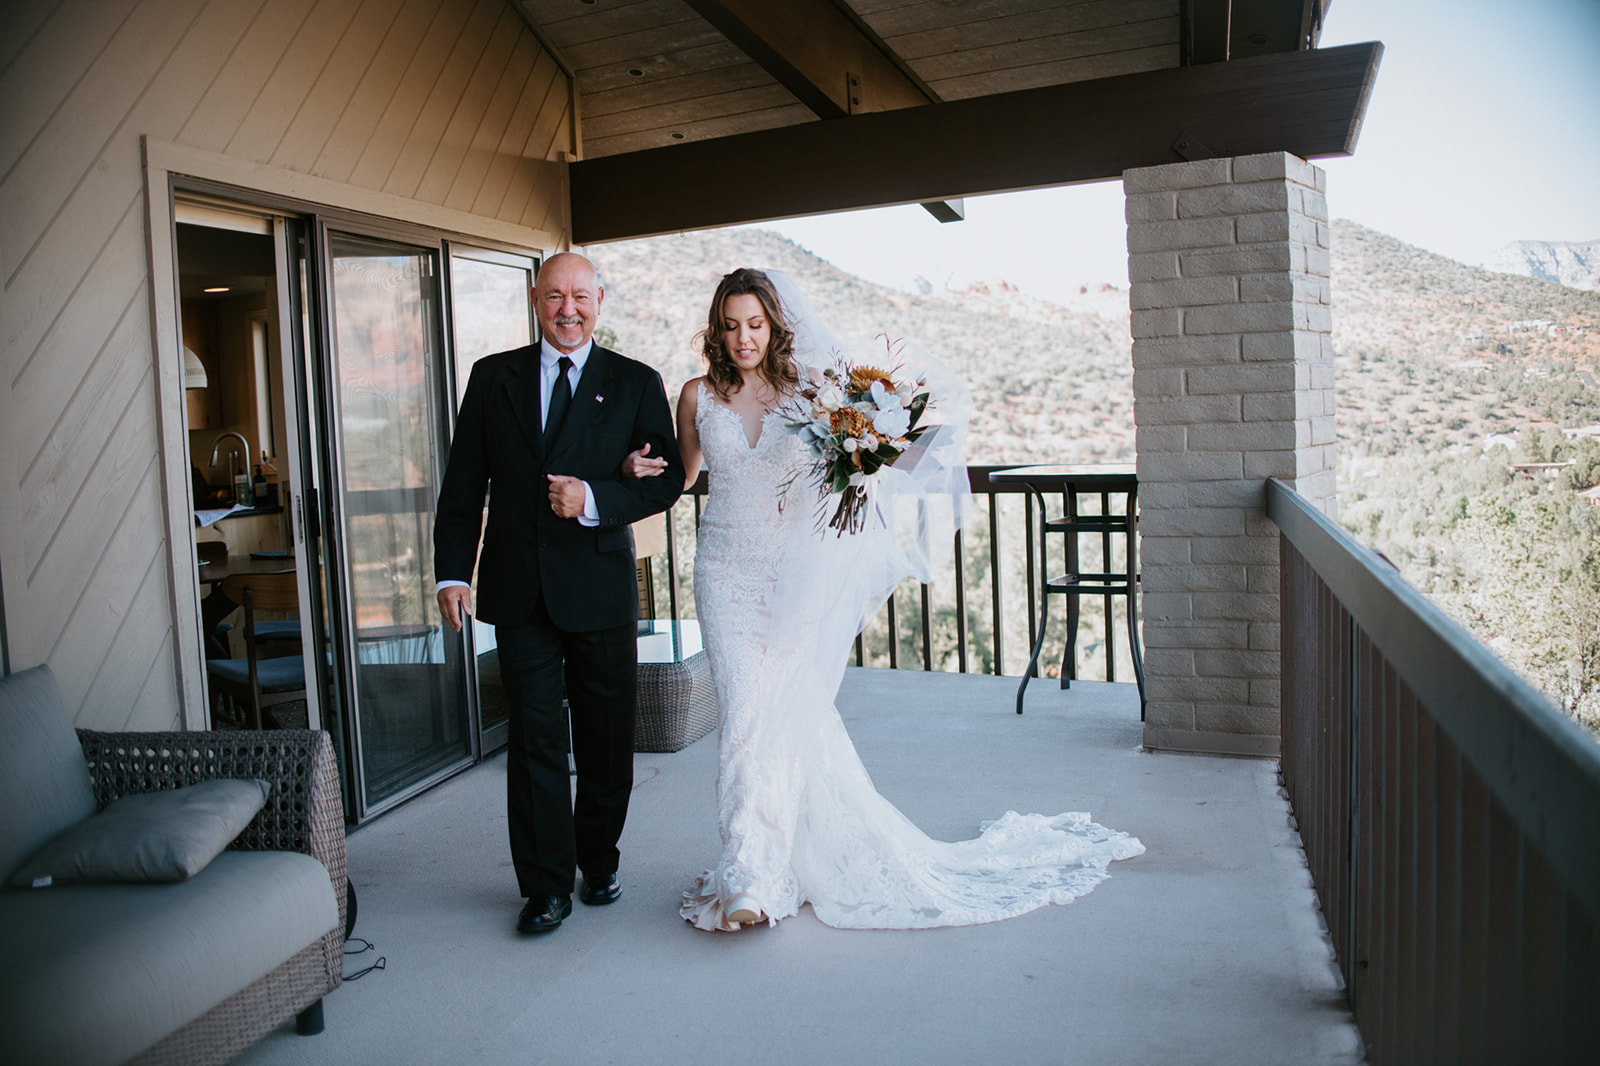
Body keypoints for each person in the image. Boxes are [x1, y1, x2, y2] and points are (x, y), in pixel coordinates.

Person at [625, 267, 1143, 932]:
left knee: (774, 721)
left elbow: (874, 449)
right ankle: (750, 869)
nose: (743, 336)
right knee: (745, 713)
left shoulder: (809, 392)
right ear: (716, 329)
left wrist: (899, 448)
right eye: (730, 325)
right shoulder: (697, 395)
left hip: (791, 578)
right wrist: (640, 470)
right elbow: (685, 476)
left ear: (774, 326)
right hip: (724, 572)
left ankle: (758, 868)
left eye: (754, 323)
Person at [434, 252, 684, 936]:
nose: (567, 308)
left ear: (600, 299)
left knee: (605, 741)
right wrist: (452, 572)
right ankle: (545, 886)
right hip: (518, 592)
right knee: (536, 742)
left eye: (580, 296)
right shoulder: (493, 378)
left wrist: (597, 495)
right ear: (536, 300)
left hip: (598, 586)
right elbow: (463, 486)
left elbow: (664, 480)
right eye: (554, 296)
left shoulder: (634, 382)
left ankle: (598, 859)